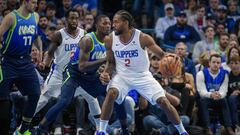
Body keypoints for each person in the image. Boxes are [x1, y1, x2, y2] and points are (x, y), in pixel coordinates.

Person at [98, 10, 188, 135]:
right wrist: (106, 73)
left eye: (116, 22)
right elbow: (111, 62)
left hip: (143, 76)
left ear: (126, 22)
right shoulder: (110, 39)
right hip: (122, 76)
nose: (113, 25)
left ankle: (182, 131)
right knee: (111, 93)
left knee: (163, 101)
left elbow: (162, 55)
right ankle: (101, 130)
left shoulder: (143, 38)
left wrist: (171, 59)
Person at [33, 14, 112, 134]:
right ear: (66, 20)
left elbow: (94, 57)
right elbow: (50, 53)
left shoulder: (85, 34)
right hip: (63, 73)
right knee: (46, 100)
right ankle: (26, 125)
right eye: (72, 18)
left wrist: (103, 71)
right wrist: (45, 63)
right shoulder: (60, 35)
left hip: (83, 76)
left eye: (76, 18)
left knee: (93, 99)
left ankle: (100, 130)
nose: (74, 21)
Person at [0, 0, 42, 134]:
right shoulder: (11, 17)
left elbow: (36, 36)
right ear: (25, 2)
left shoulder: (35, 16)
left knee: (35, 93)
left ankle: (23, 129)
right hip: (8, 62)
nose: (36, 5)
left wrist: (40, 51)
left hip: (25, 63)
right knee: (3, 101)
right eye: (34, 2)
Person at [196, 53, 234, 135]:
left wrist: (219, 95)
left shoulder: (224, 74)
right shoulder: (201, 74)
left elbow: (224, 90)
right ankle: (208, 128)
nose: (215, 64)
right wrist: (211, 95)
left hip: (218, 98)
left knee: (224, 100)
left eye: (218, 63)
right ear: (209, 63)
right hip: (206, 99)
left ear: (220, 64)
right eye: (213, 62)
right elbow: (201, 91)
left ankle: (228, 127)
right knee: (203, 100)